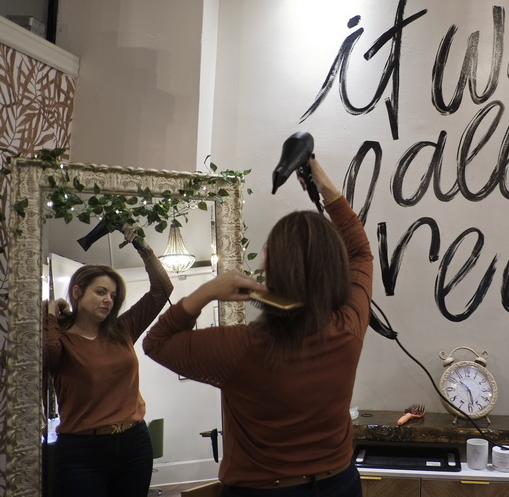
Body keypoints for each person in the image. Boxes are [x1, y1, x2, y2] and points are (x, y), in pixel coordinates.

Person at [143, 156, 372, 497]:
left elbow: (156, 342)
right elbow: (361, 253)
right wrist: (324, 186)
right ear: (335, 268)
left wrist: (208, 291)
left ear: (269, 262)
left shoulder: (240, 346)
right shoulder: (348, 327)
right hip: (339, 483)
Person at [44, 225, 174, 497]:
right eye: (100, 292)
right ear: (77, 292)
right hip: (81, 450)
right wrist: (51, 315)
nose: (108, 300)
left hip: (134, 442)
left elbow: (162, 290)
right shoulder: (62, 339)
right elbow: (47, 356)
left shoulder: (123, 329)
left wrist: (142, 246)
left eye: (113, 296)